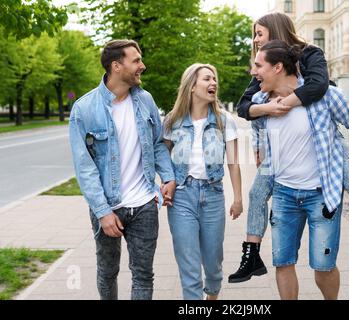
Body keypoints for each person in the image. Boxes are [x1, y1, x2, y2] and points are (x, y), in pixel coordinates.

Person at [229, 12, 349, 285]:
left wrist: (288, 103)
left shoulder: (311, 54)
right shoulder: (262, 85)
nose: (255, 40)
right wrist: (269, 108)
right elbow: (245, 108)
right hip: (284, 185)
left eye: (259, 34)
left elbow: (319, 86)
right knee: (257, 192)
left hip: (327, 143)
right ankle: (251, 255)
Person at [249, 40, 349, 299]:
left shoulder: (325, 96)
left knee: (323, 267)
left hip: (322, 196)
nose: (253, 72)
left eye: (258, 65)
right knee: (282, 262)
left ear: (277, 67)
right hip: (284, 195)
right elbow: (260, 144)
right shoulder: (260, 101)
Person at [69, 39, 176, 300]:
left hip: (144, 204)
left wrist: (169, 176)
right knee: (107, 271)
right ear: (117, 66)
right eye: (136, 61)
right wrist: (103, 212)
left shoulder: (145, 100)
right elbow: (85, 168)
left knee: (143, 274)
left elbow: (157, 143)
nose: (143, 66)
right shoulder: (84, 109)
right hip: (108, 206)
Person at [163, 63, 243, 300]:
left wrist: (237, 198)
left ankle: (212, 295)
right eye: (207, 79)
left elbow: (233, 163)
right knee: (188, 266)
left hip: (213, 195)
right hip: (182, 198)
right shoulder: (172, 120)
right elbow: (162, 157)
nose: (213, 83)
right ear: (191, 86)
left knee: (213, 263)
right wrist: (166, 182)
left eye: (214, 79)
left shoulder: (224, 120)